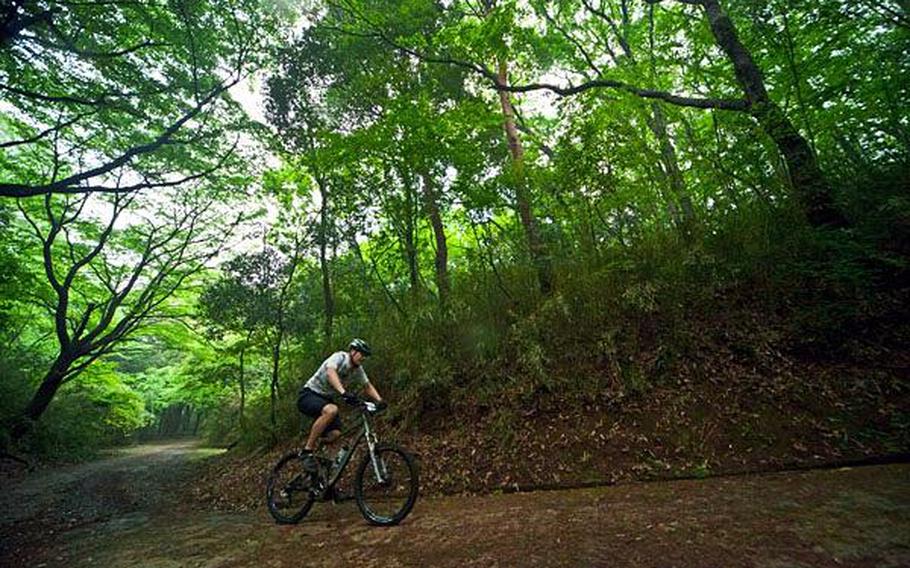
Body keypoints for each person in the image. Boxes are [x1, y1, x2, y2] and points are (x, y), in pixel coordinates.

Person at [296, 338, 384, 472]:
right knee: (332, 410)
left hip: (325, 399)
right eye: (362, 354)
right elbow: (331, 372)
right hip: (309, 394)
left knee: (335, 434)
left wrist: (380, 401)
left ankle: (318, 453)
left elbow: (367, 385)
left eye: (366, 356)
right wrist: (343, 392)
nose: (364, 358)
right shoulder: (339, 357)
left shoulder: (357, 369)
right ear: (353, 351)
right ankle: (307, 451)